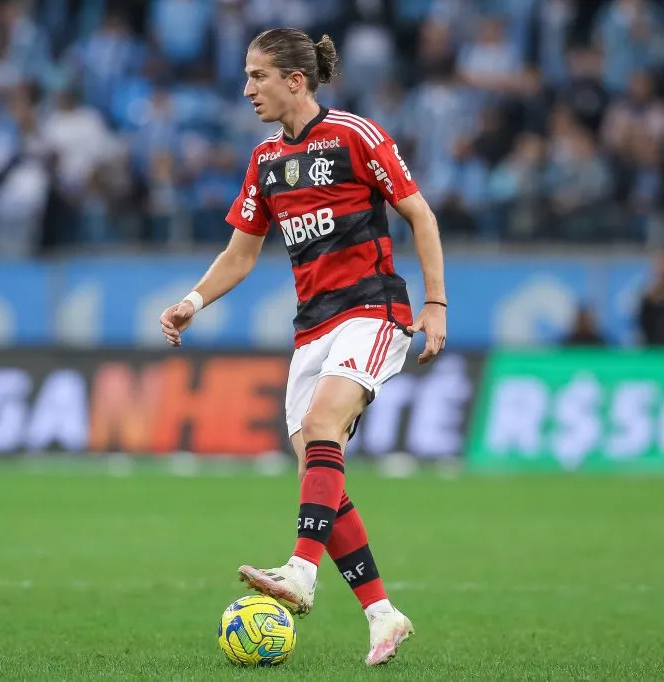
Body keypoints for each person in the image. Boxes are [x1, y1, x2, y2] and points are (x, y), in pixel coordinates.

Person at [158, 29, 446, 665]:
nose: (246, 89)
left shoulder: (355, 135)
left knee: (322, 427)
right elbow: (240, 254)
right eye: (246, 76)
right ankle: (382, 613)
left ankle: (300, 573)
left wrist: (434, 304)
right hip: (311, 327)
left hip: (372, 311)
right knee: (322, 475)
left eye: (257, 76)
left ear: (295, 80)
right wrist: (194, 301)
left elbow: (420, 214)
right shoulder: (265, 161)